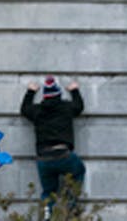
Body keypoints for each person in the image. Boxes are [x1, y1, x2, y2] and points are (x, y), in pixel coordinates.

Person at [20, 76, 86, 214]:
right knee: (78, 171)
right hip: (63, 155)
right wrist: (74, 90)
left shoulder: (38, 111)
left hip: (44, 158)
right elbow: (79, 106)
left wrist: (30, 92)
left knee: (48, 192)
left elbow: (25, 109)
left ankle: (47, 215)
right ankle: (70, 207)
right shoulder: (66, 108)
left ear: (44, 96)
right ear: (59, 94)